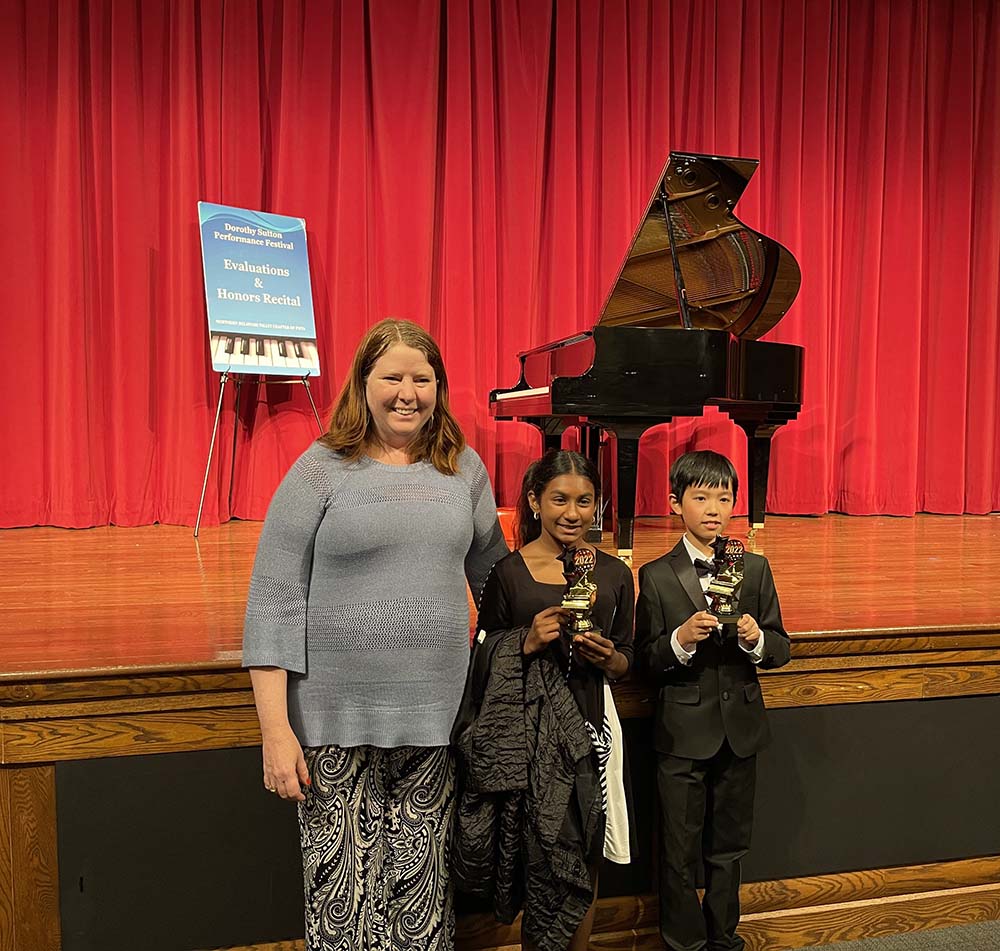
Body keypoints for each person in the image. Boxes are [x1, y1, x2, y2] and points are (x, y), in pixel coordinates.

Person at [242, 318, 509, 951]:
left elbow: (496, 579)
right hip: (332, 725)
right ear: (363, 384)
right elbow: (273, 601)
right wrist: (275, 732)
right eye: (391, 377)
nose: (407, 393)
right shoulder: (321, 469)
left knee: (420, 906)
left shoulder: (463, 470)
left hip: (433, 723)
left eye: (423, 378)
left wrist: (579, 579)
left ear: (439, 388)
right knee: (341, 909)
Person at [451, 449, 634, 951]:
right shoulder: (507, 574)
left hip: (591, 735)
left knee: (584, 853)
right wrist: (525, 642)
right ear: (534, 501)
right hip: (529, 743)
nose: (572, 513)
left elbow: (627, 660)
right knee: (540, 851)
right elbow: (482, 654)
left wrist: (608, 657)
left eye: (584, 501)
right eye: (559, 499)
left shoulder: (615, 575)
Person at [634, 450, 791, 951]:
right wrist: (680, 638)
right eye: (701, 497)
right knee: (678, 854)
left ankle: (725, 940)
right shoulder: (657, 575)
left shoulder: (755, 568)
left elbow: (780, 646)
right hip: (682, 734)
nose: (714, 509)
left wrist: (753, 639)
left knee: (729, 849)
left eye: (724, 498)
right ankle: (684, 944)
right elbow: (646, 657)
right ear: (676, 502)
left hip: (740, 731)